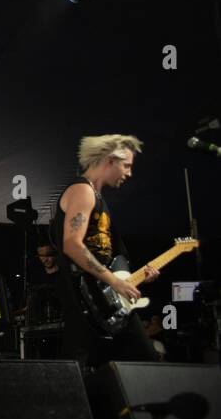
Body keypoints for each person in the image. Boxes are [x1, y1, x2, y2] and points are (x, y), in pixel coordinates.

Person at [49, 134, 159, 368]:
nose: (129, 173)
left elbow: (105, 256)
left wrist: (130, 280)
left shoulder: (98, 199)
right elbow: (72, 244)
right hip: (86, 300)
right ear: (109, 160)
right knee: (138, 363)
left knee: (138, 365)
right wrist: (116, 282)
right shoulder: (82, 191)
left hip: (105, 299)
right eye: (126, 165)